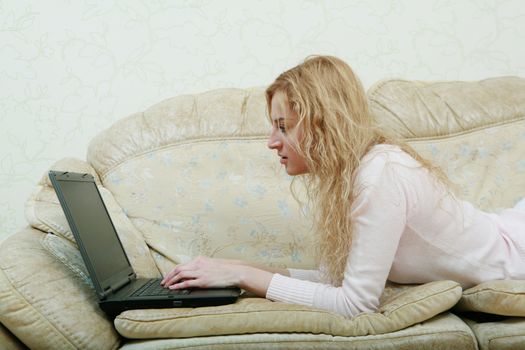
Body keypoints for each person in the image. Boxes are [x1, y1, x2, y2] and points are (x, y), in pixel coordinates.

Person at [161, 55, 525, 319]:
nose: (272, 141)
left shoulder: (380, 174)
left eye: (283, 126)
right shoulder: (357, 173)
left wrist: (243, 275)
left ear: (322, 123)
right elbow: (338, 278)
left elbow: (356, 302)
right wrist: (235, 268)